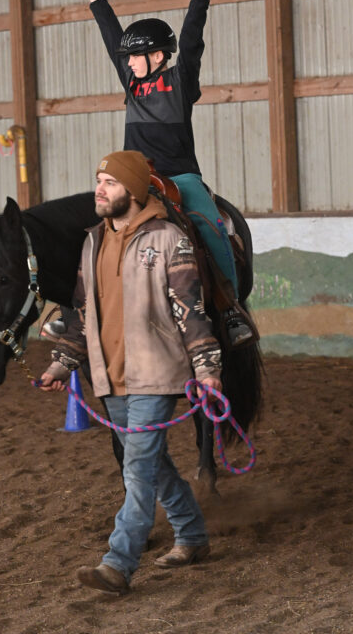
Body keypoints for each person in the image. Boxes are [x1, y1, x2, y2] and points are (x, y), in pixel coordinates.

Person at [40, 149, 222, 595]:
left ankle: (117, 564)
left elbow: (191, 311)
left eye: (110, 183)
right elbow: (83, 315)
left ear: (134, 191)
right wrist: (62, 363)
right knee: (154, 465)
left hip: (154, 373)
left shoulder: (169, 240)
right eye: (98, 181)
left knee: (137, 469)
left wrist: (207, 368)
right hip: (110, 376)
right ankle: (193, 535)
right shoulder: (92, 242)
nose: (99, 190)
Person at [71, 0, 254, 347]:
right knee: (91, 230)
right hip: (135, 178)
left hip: (180, 177)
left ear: (157, 56)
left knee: (209, 226)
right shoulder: (131, 82)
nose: (128, 63)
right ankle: (76, 314)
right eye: (127, 59)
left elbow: (191, 36)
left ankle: (230, 309)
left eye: (135, 57)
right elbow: (111, 36)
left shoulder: (180, 80)